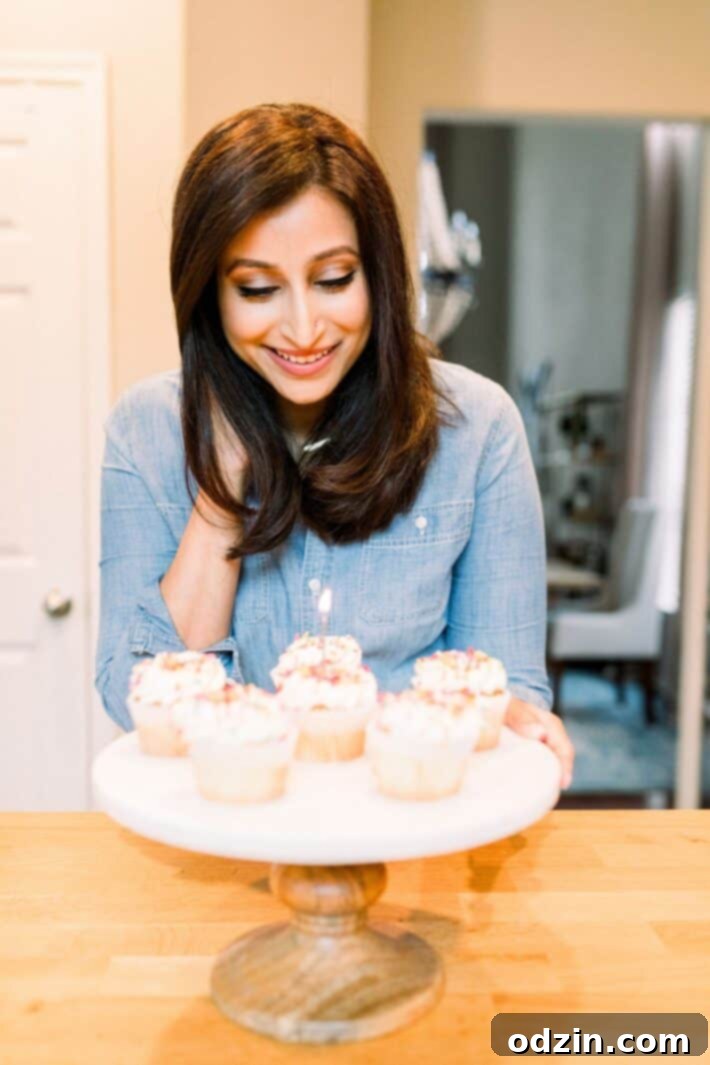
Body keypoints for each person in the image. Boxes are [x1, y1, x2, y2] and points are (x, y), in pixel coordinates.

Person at [96, 102, 574, 789]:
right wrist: (223, 488)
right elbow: (131, 694)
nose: (302, 328)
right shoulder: (145, 430)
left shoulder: (477, 429)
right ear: (209, 295)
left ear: (378, 273)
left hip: (414, 845)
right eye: (257, 288)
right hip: (218, 853)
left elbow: (507, 685)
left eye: (333, 279)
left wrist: (519, 724)